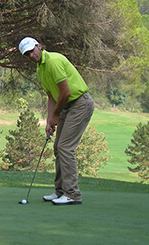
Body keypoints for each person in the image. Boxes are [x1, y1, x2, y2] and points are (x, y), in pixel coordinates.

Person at [18, 37, 94, 205]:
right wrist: (49, 120)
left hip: (80, 103)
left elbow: (65, 92)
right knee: (58, 147)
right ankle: (60, 191)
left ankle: (72, 194)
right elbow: (51, 96)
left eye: (32, 51)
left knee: (65, 147)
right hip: (66, 106)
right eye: (27, 54)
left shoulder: (53, 61)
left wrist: (56, 115)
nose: (31, 55)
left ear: (39, 46)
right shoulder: (40, 69)